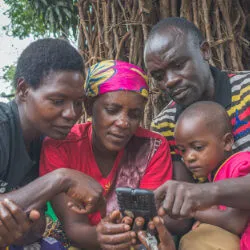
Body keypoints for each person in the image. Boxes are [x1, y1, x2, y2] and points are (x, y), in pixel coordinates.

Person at [39, 60, 174, 249]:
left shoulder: (152, 148)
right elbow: (74, 227)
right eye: (112, 110)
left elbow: (145, 221)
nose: (123, 123)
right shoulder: (59, 146)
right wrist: (102, 237)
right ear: (88, 106)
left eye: (134, 114)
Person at [144, 17, 249, 250]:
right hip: (224, 227)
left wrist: (206, 193)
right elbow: (183, 212)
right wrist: (156, 211)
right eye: (159, 76)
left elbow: (197, 195)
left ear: (204, 52)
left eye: (179, 65)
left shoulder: (247, 92)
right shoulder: (164, 126)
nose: (170, 81)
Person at [0, 38, 106, 248]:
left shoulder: (47, 142)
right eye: (58, 101)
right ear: (23, 90)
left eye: (77, 103)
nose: (72, 114)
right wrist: (61, 178)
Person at [174, 101, 250, 250]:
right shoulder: (215, 174)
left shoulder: (241, 165)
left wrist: (193, 210)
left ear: (227, 142)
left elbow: (235, 222)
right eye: (183, 151)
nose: (189, 157)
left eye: (198, 148)